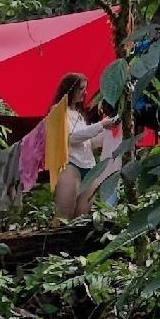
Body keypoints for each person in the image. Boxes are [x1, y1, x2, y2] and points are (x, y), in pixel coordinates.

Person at [49, 73, 113, 220]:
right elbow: (72, 138)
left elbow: (89, 142)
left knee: (81, 219)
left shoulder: (78, 114)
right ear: (71, 90)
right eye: (82, 88)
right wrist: (101, 125)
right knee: (63, 216)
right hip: (70, 165)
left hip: (90, 166)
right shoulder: (57, 110)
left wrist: (110, 130)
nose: (85, 92)